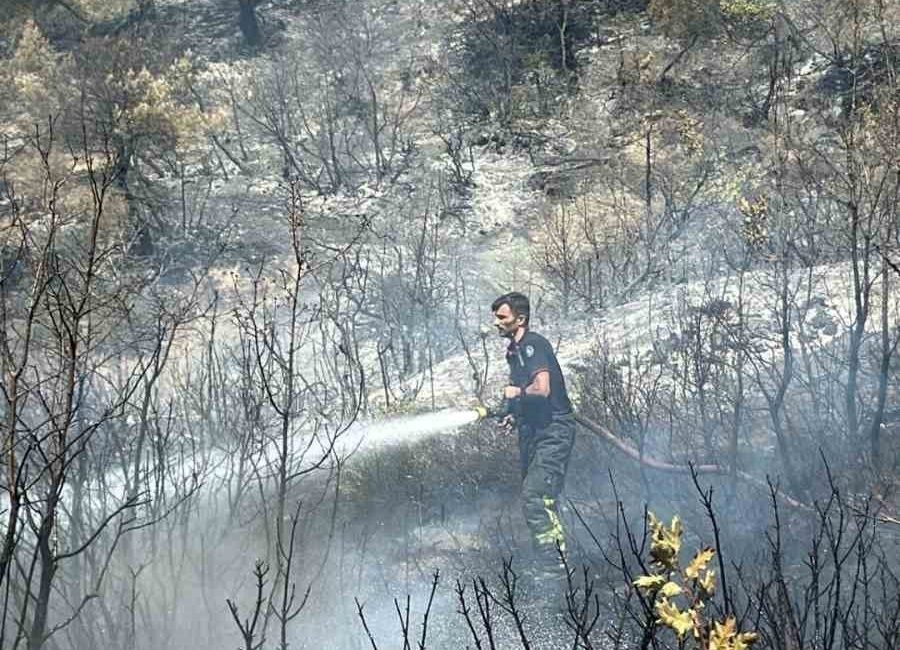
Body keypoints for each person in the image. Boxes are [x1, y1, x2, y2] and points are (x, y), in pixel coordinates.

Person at [491, 291, 575, 578]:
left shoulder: (533, 345)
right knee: (540, 498)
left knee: (536, 496)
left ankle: (555, 568)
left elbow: (542, 389)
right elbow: (528, 397)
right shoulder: (514, 352)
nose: (496, 322)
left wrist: (516, 392)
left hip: (553, 431)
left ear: (520, 319)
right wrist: (514, 415)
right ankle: (553, 560)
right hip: (534, 432)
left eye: (502, 317)